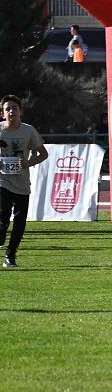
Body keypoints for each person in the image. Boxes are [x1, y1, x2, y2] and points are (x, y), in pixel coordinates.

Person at [0, 96, 48, 268]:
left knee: (20, 222)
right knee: (3, 212)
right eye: (8, 109)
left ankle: (10, 255)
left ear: (21, 111)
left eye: (15, 108)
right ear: (2, 113)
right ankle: (1, 230)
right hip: (2, 180)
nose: (11, 111)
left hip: (22, 183)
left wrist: (28, 162)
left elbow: (43, 153)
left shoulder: (28, 131)